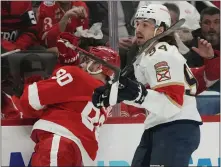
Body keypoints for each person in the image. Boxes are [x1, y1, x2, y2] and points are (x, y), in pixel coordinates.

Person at [91, 4, 208, 166]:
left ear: (159, 30)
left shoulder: (161, 54)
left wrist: (136, 94)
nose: (138, 29)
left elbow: (171, 103)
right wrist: (119, 94)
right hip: (159, 125)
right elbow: (147, 97)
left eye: (145, 24)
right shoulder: (148, 55)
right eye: (137, 23)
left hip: (176, 126)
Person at [18, 45, 119, 166]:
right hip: (82, 155)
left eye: (88, 61)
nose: (82, 64)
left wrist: (46, 110)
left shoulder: (76, 76)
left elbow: (28, 100)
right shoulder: (109, 98)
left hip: (59, 144)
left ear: (98, 66)